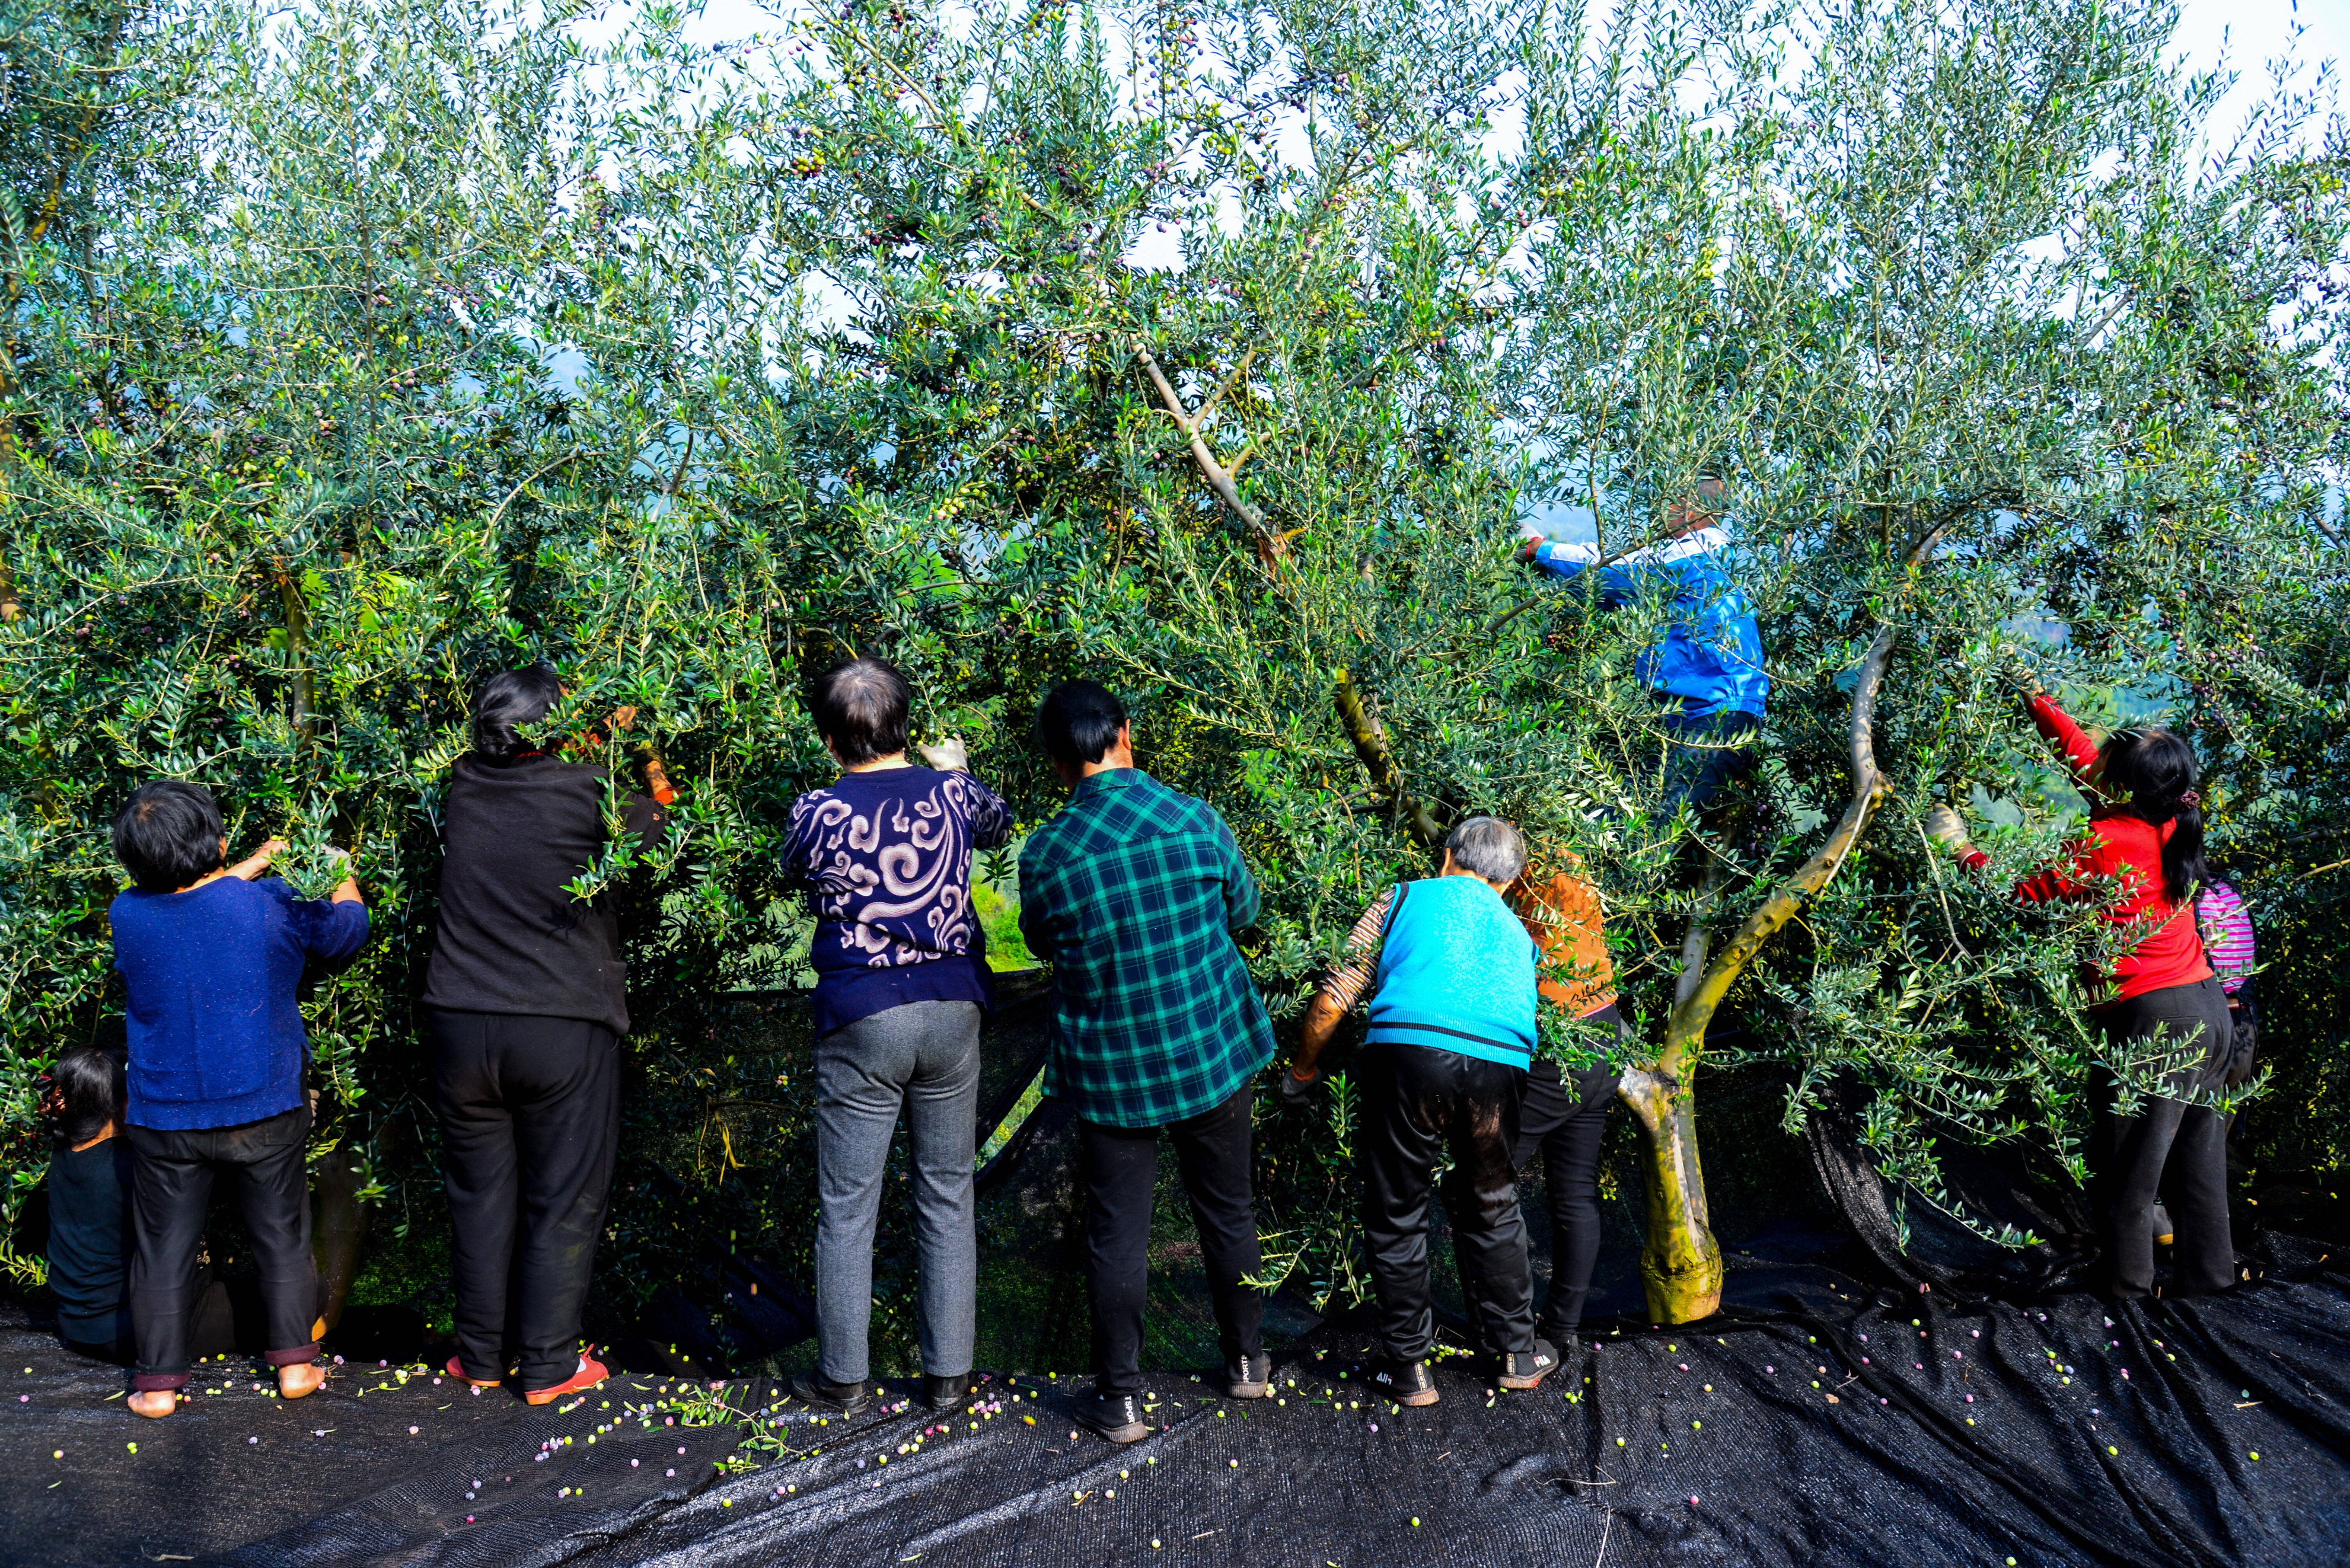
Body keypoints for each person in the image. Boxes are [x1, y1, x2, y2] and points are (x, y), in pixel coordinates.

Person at [1018, 681, 1275, 1443]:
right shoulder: (1196, 819)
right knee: (1228, 1211)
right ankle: (1248, 1363)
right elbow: (1245, 910)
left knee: (1116, 1233)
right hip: (1210, 1049)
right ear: (1126, 732)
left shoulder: (1049, 853)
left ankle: (1122, 1400)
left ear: (1057, 761)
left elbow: (1040, 940)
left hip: (1113, 1069)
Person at [1927, 681, 2234, 1301]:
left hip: (2154, 1021)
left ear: (2121, 786)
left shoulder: (2105, 842)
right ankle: (2211, 1285)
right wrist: (2036, 699)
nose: (2093, 768)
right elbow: (2082, 758)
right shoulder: (2166, 818)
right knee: (2198, 1166)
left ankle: (2127, 1292)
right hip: (2207, 1008)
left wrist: (1958, 846)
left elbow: (2016, 892)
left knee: (2127, 1169)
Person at [422, 666, 668, 1405]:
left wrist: (587, 735)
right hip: (559, 1022)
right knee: (562, 1197)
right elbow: (668, 827)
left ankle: (480, 1355)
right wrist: (645, 754)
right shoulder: (592, 791)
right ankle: (550, 1363)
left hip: (459, 1023)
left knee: (478, 1197)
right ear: (558, 727)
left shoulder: (463, 784)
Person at [780, 658, 1012, 1417]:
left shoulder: (816, 811)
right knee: (946, 1191)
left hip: (864, 1012)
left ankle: (844, 1380)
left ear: (829, 738)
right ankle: (949, 1378)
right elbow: (999, 823)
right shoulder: (952, 793)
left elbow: (795, 871)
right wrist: (957, 768)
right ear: (905, 724)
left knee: (848, 1205)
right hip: (951, 1007)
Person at [108, 781, 368, 1417]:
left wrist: (245, 865)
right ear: (218, 843)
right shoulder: (272, 902)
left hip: (165, 1112)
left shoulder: (127, 914)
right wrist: (339, 871)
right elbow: (347, 932)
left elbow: (194, 912)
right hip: (264, 1104)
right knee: (281, 1235)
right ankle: (297, 1365)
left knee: (162, 1249)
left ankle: (157, 1385)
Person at [1286, 817, 1562, 1405]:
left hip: (1409, 1053)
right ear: (1508, 882)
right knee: (1493, 1202)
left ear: (1447, 856)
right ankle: (1517, 1353)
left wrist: (1302, 1070)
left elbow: (1336, 995)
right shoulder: (1520, 935)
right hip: (1501, 1066)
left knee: (1397, 1209)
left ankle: (1409, 1368)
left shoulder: (1403, 897)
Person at [1517, 478, 1768, 819]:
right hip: (1701, 716)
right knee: (1633, 812)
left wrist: (1538, 550)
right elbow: (1614, 590)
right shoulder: (1715, 555)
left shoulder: (1694, 554)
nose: (1660, 512)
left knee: (1647, 828)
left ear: (1689, 509)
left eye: (1669, 502)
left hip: (1713, 718)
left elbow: (1610, 569)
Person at [40, 1046, 280, 1366]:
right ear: (123, 1102)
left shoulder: (65, 1154)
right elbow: (225, 1176)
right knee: (300, 1294)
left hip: (81, 1327)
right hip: (143, 1331)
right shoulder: (133, 1164)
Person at [1503, 864, 1627, 1347]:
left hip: (1561, 1044)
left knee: (1482, 1186)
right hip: (1604, 1028)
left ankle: (1506, 1333)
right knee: (1575, 1193)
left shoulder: (1522, 863)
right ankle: (1559, 1330)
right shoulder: (1572, 858)